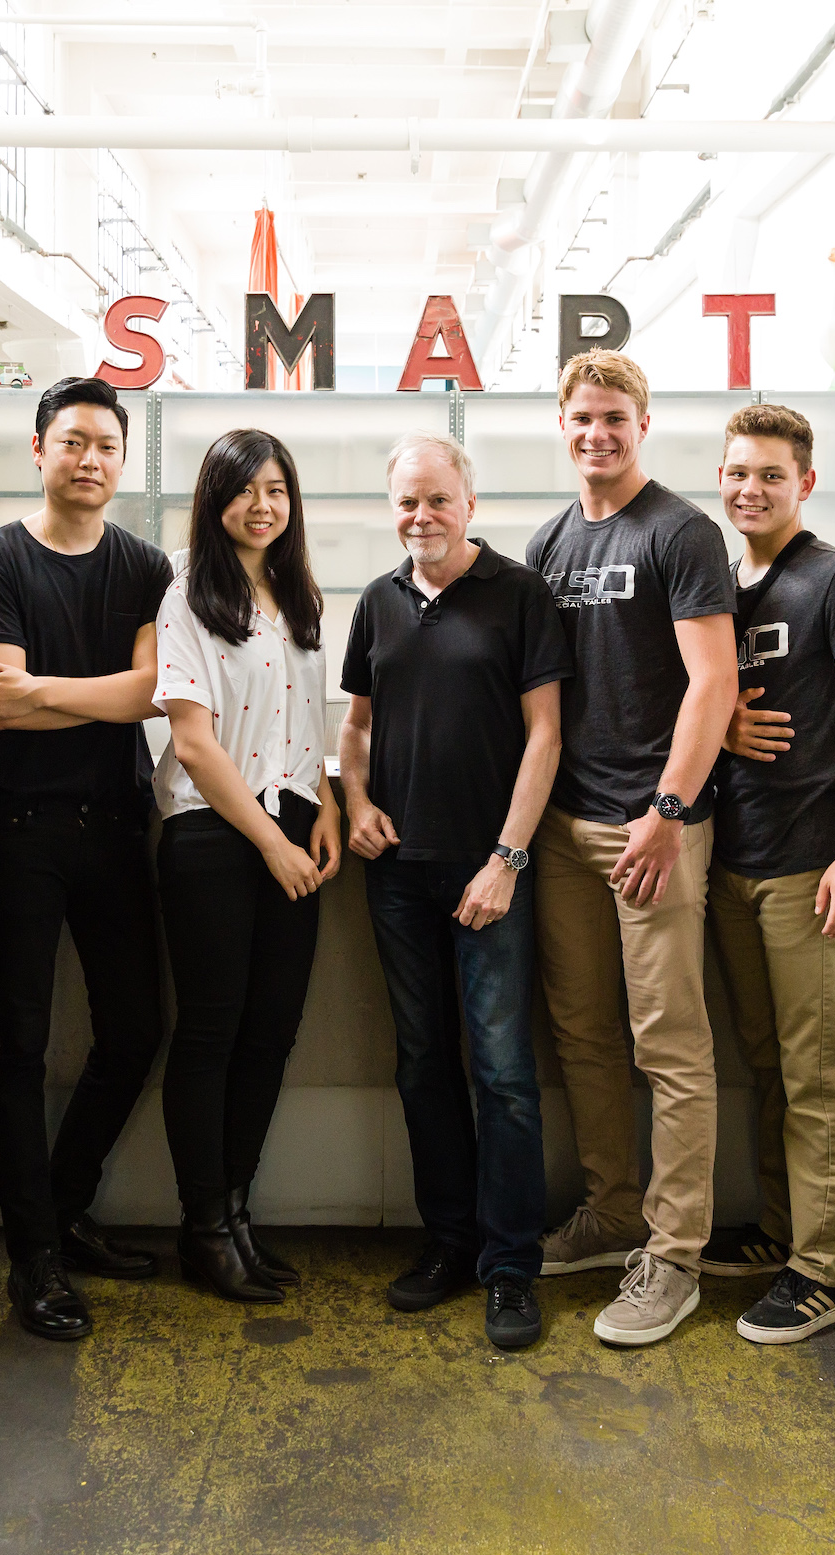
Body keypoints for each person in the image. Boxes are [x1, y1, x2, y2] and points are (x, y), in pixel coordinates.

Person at [523, 350, 739, 1350]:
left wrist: (667, 806)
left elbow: (712, 683)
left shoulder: (680, 531)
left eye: (613, 416)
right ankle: (610, 1212)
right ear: (560, 424)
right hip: (566, 826)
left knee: (670, 1045)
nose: (595, 433)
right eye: (580, 417)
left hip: (650, 824)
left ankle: (674, 1253)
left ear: (642, 422)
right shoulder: (551, 539)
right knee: (581, 1033)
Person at [341, 432, 571, 1352]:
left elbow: (545, 735)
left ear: (468, 502)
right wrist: (355, 800)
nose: (421, 517)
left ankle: (510, 1267)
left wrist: (506, 860)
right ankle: (450, 1242)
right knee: (422, 1063)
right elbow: (354, 724)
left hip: (491, 872)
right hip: (398, 873)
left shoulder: (518, 595)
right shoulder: (377, 601)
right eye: (406, 503)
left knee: (505, 1074)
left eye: (437, 499)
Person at [0, 377, 173, 1342]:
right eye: (74, 442)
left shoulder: (146, 565)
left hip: (118, 822)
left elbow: (151, 696)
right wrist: (103, 691)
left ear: (122, 463)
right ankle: (32, 1255)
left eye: (107, 448)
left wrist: (48, 688)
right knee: (20, 1041)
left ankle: (61, 1203)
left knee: (136, 1027)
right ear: (38, 449)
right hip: (18, 825)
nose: (90, 461)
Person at [706, 403, 835, 1346]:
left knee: (818, 1068)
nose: (752, 489)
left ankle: (827, 1269)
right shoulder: (720, 580)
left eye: (771, 475)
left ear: (805, 483)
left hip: (809, 862)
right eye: (738, 472)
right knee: (766, 1061)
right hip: (732, 857)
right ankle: (785, 1234)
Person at [151, 428, 342, 1304]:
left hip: (297, 822)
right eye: (245, 490)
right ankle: (201, 1224)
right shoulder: (188, 592)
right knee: (212, 1031)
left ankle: (236, 1211)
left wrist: (327, 808)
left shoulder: (299, 596)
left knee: (271, 1031)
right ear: (214, 497)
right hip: (217, 832)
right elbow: (192, 741)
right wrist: (272, 844)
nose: (263, 506)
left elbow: (310, 720)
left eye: (277, 489)